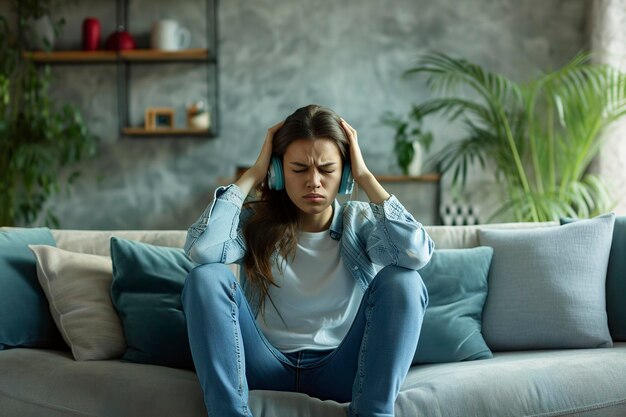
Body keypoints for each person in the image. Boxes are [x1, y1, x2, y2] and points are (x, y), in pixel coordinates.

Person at [181, 104, 434, 417]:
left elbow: (415, 254)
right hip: (263, 363)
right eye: (299, 169)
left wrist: (366, 176)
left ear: (344, 175)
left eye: (327, 170)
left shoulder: (361, 223)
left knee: (405, 282)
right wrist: (252, 175)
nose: (313, 181)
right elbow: (202, 251)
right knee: (206, 278)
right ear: (277, 172)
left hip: (342, 369)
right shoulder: (253, 222)